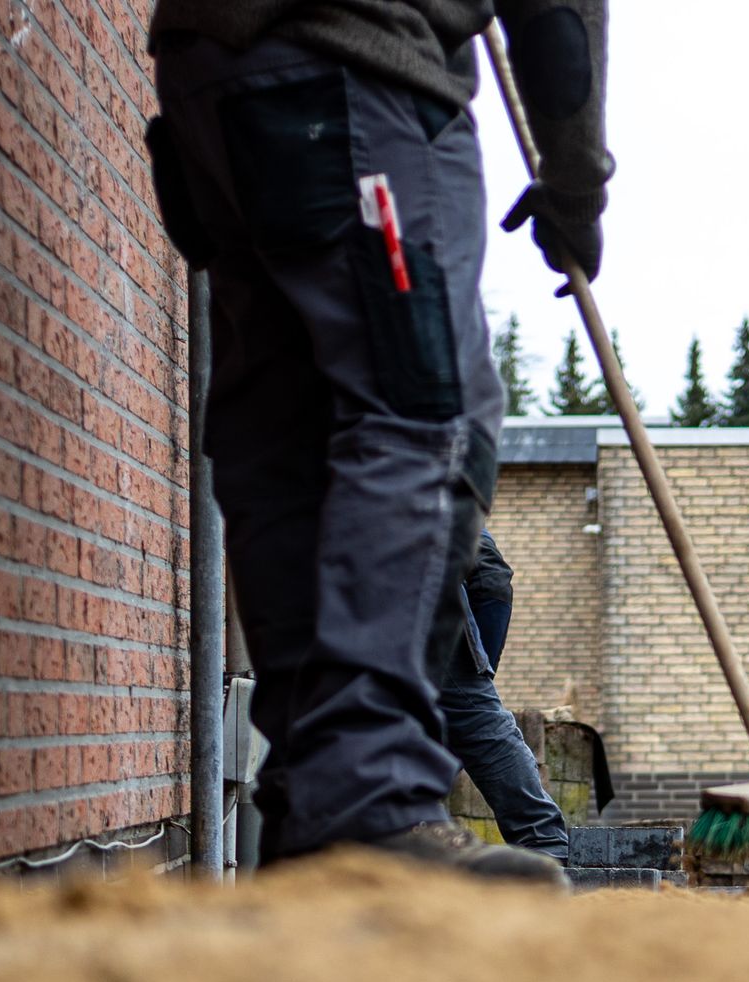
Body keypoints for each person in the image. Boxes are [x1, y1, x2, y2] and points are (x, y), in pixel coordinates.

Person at [142, 1, 612, 881]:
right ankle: (370, 799)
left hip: (207, 86)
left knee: (283, 438)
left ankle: (315, 820)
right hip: (358, 76)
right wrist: (577, 182)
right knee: (422, 416)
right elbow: (557, 17)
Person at [443, 532, 571, 860]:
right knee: (471, 712)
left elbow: (491, 576)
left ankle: (544, 845)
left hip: (400, 585)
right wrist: (481, 671)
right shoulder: (449, 492)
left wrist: (477, 677)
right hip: (438, 591)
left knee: (473, 716)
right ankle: (544, 844)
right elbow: (492, 575)